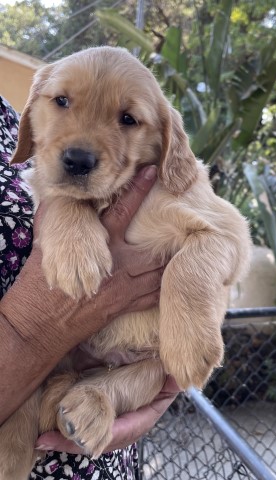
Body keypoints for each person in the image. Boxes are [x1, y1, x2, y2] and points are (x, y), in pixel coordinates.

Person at [0, 95, 180, 479]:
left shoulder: (8, 115)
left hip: (103, 452)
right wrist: (36, 330)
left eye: (127, 118)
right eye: (63, 101)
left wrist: (152, 388)